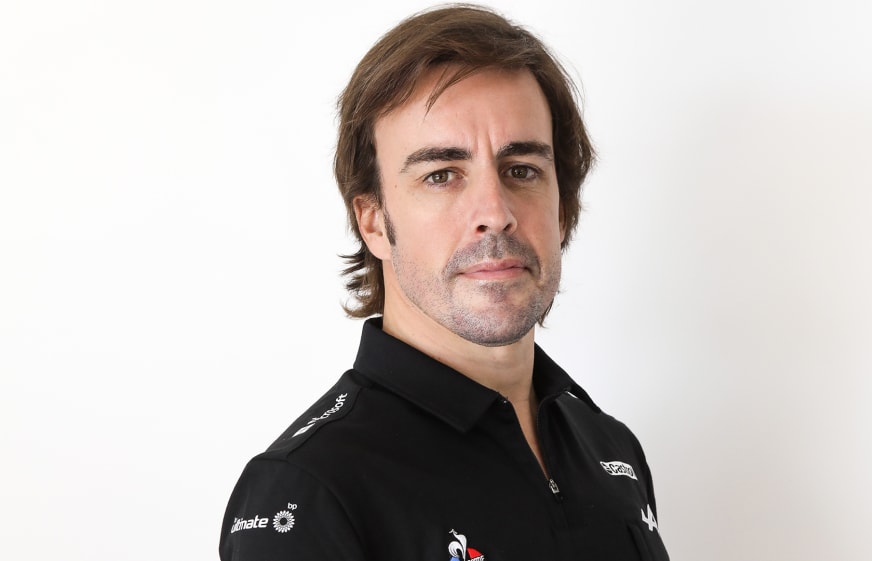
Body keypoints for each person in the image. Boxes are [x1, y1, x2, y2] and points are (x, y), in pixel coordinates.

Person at [219, 5, 669, 560]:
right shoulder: (310, 490)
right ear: (373, 222)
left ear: (563, 207)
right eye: (441, 175)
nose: (495, 212)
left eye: (522, 169)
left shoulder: (609, 447)